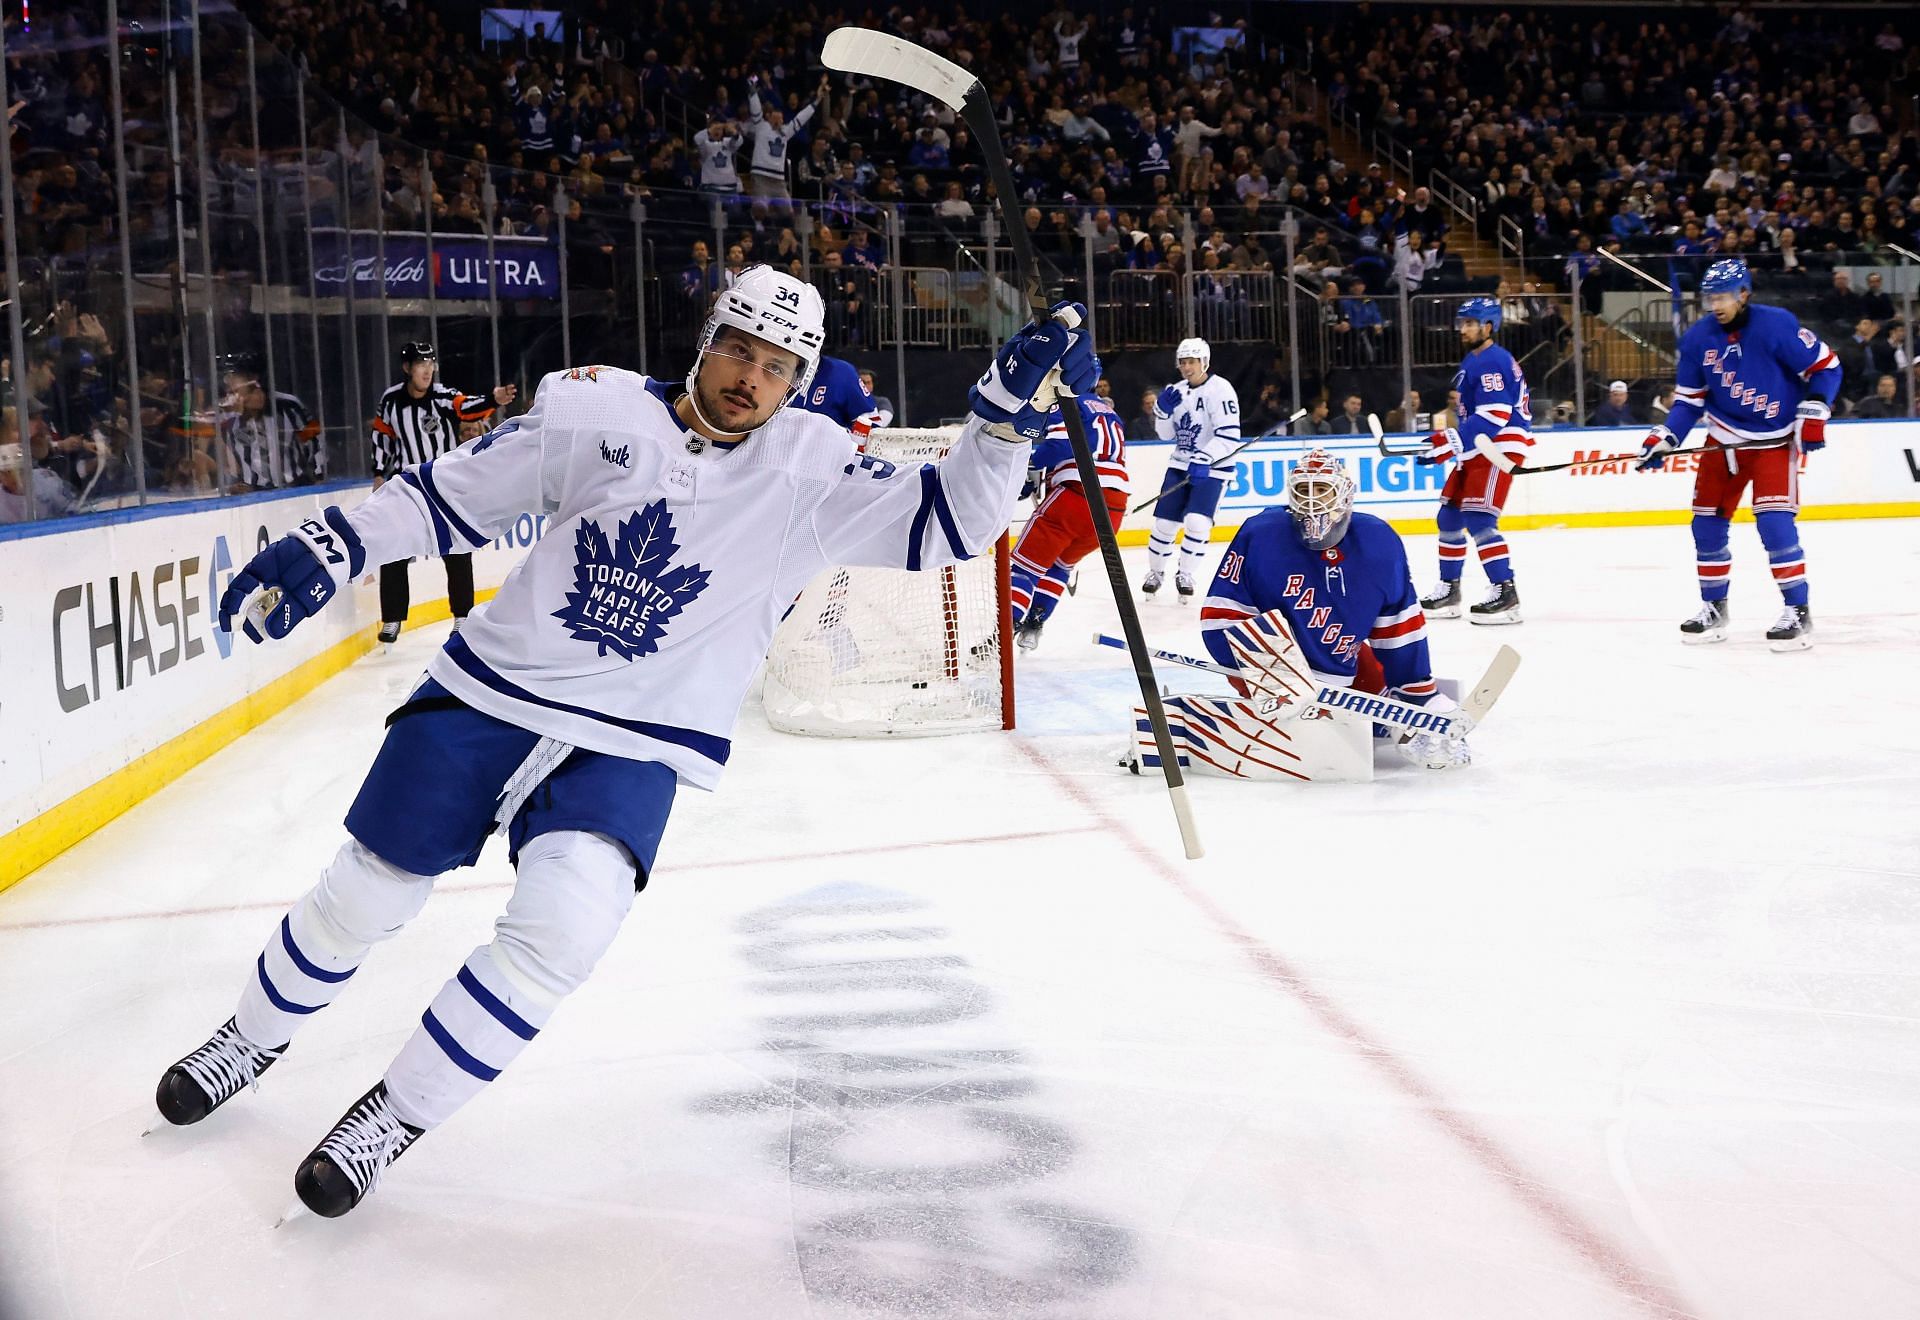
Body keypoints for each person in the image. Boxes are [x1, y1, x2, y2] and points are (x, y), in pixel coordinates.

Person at [152, 267, 1097, 1217]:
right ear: (706, 338)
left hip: (638, 741)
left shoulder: (813, 470)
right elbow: (454, 494)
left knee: (563, 931)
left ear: (798, 381)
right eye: (738, 348)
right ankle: (247, 1039)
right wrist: (332, 545)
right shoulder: (592, 408)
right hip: (496, 690)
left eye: (776, 366)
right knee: (367, 890)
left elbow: (956, 521)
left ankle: (394, 1117)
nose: (750, 377)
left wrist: (1003, 425)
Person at [1128, 449, 1465, 780]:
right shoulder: (1260, 533)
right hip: (1272, 667)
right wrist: (1274, 673)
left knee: (1371, 706)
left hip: (1339, 665)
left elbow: (1398, 626)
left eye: (1322, 489)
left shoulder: (1379, 541)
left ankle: (1394, 713)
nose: (1312, 501)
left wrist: (1418, 693)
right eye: (1304, 490)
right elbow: (1221, 616)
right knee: (1325, 726)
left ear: (1345, 495)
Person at [1636, 258, 1840, 650]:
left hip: (1775, 443)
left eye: (1724, 296)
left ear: (1744, 294)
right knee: (1705, 527)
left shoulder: (1776, 324)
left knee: (1775, 526)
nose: (1715, 304)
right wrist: (1666, 436)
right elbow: (1689, 402)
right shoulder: (1697, 339)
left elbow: (1827, 368)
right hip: (1724, 440)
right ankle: (1714, 607)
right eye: (1710, 297)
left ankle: (1798, 610)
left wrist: (1816, 408)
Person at [368, 342, 518, 644]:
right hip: (407, 486)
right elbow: (381, 435)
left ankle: (462, 615)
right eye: (421, 363)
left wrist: (492, 398)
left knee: (457, 548)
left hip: (442, 484)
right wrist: (379, 472)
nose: (427, 369)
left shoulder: (443, 398)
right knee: (394, 547)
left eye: (431, 363)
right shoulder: (391, 401)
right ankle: (393, 618)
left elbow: (466, 407)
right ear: (408, 368)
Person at [1417, 297, 1534, 625]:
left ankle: (1505, 592)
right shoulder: (1475, 359)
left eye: (1470, 323)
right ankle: (1450, 590)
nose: (1464, 329)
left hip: (1497, 444)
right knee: (1450, 517)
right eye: (1463, 323)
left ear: (1488, 325)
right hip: (1478, 445)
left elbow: (1496, 414)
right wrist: (1452, 442)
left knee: (1479, 517)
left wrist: (1451, 440)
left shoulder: (1493, 359)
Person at [1010, 393, 1129, 651]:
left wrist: (1023, 467)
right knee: (1059, 566)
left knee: (1023, 568)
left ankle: (1005, 629)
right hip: (1114, 509)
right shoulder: (1109, 412)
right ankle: (1033, 626)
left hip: (1075, 497)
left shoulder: (1065, 401)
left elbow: (1060, 446)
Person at [1143, 337, 1240, 601]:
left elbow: (1229, 437)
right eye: (1183, 362)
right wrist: (1162, 413)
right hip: (1180, 464)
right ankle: (1155, 573)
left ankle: (1185, 574)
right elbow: (1165, 436)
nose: (1187, 367)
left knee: (1196, 523)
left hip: (1213, 469)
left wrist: (1205, 457)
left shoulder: (1220, 390)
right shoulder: (1176, 390)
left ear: (1204, 362)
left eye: (1192, 361)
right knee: (1164, 523)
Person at [218, 355, 323, 492]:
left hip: (296, 489)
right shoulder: (231, 417)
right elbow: (235, 460)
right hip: (256, 493)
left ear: (253, 380)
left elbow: (315, 440)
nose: (228, 382)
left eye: (234, 376)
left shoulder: (290, 405)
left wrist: (319, 476)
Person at [794, 353, 878, 435]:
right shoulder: (784, 373)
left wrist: (839, 439)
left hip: (830, 447)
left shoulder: (841, 372)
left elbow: (872, 425)